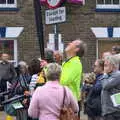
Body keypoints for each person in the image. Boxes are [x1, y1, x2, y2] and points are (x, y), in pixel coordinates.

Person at [60, 39, 86, 116]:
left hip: (70, 104)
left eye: (72, 43)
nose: (69, 42)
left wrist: (47, 70)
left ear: (76, 49)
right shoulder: (66, 62)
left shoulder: (75, 63)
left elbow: (63, 81)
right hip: (65, 101)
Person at [101, 55, 120, 120]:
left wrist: (104, 74)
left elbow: (105, 86)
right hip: (107, 111)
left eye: (106, 65)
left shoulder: (117, 75)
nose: (104, 68)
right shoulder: (108, 75)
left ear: (112, 66)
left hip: (114, 112)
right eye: (104, 65)